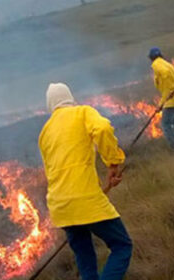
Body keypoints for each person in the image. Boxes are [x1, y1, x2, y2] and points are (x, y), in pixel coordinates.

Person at [39, 83, 132, 280]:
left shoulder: (45, 131)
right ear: (70, 98)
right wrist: (113, 162)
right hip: (85, 200)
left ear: (50, 104)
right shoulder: (82, 112)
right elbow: (103, 127)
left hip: (61, 206)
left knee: (85, 258)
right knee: (122, 246)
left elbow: (54, 172)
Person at [148, 47, 174, 149]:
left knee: (166, 124)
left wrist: (160, 105)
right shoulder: (166, 63)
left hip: (172, 98)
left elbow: (167, 86)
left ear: (151, 58)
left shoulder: (157, 65)